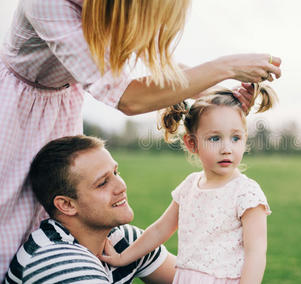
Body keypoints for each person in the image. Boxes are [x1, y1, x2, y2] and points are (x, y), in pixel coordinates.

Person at [0, 0, 282, 278]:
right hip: (13, 117)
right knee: (10, 230)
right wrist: (228, 65)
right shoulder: (50, 1)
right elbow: (128, 96)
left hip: (57, 110)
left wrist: (214, 93)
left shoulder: (106, 11)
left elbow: (150, 71)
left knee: (64, 217)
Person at [100, 84, 277, 283]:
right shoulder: (190, 185)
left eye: (235, 138)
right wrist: (123, 257)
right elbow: (160, 230)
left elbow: (256, 253)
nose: (227, 148)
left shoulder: (246, 192)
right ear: (192, 143)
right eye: (215, 138)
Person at [4, 135, 177, 284]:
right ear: (67, 205)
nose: (121, 186)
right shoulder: (59, 261)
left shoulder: (122, 241)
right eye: (102, 183)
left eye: (116, 173)